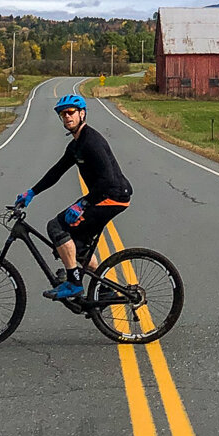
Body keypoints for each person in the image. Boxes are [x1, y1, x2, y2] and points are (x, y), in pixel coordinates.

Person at [14, 95, 133, 301]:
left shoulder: (91, 142)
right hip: (103, 196)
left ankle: (74, 283)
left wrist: (83, 204)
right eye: (63, 114)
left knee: (56, 227)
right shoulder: (76, 144)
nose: (67, 117)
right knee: (75, 246)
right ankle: (105, 289)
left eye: (71, 112)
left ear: (82, 114)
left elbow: (107, 179)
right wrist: (31, 192)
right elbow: (56, 172)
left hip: (113, 196)